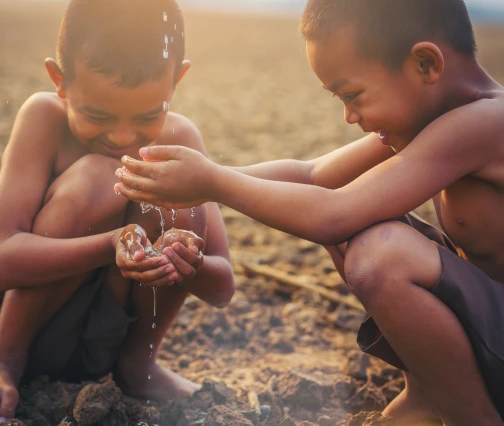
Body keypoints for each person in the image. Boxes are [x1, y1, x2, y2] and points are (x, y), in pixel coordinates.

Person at [114, 0, 504, 424]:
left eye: (353, 95)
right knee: (353, 225)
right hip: (490, 328)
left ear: (425, 64)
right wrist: (199, 182)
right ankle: (428, 394)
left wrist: (211, 182)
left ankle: (473, 415)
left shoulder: (485, 122)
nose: (349, 115)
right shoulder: (432, 114)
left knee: (382, 253)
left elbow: (332, 213)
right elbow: (314, 176)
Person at [0, 0, 235, 424]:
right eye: (97, 114)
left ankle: (138, 366)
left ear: (177, 81)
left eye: (148, 115)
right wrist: (110, 244)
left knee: (179, 209)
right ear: (59, 81)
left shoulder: (182, 138)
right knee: (102, 176)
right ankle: (2, 359)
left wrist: (185, 260)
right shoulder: (44, 117)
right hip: (22, 321)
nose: (121, 135)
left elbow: (222, 286)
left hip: (106, 342)